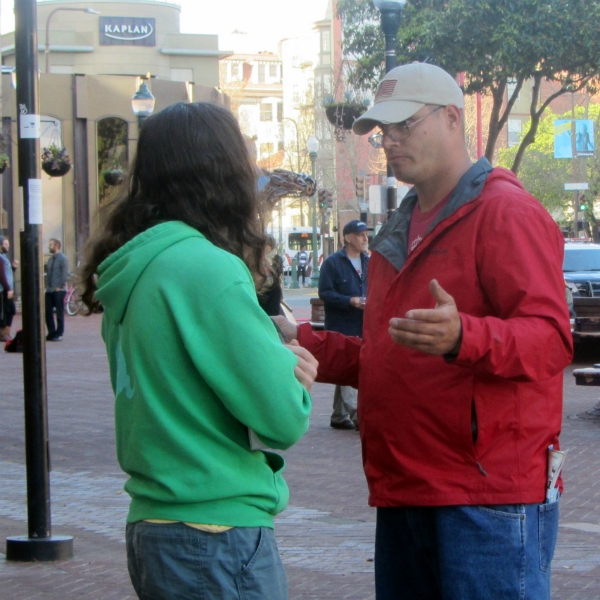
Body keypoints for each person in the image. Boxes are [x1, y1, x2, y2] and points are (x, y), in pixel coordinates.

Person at [277, 62, 573, 600]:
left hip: (485, 495)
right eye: (382, 131)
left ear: (453, 120)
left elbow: (552, 339)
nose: (389, 141)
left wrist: (466, 337)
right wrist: (298, 337)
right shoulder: (399, 229)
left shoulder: (506, 213)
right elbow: (386, 355)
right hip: (406, 487)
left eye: (403, 125)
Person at [79, 101, 317, 600]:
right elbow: (282, 419)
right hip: (217, 528)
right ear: (224, 170)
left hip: (154, 523)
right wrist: (290, 371)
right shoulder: (208, 268)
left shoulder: (135, 266)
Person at [318, 219, 371, 430]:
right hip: (341, 323)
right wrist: (349, 301)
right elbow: (325, 292)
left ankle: (339, 415)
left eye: (366, 234)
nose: (365, 238)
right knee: (350, 364)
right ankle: (357, 414)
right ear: (348, 238)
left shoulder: (369, 261)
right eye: (361, 234)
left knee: (348, 365)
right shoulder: (332, 263)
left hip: (362, 323)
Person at [45, 238, 69, 341]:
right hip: (50, 290)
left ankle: (59, 333)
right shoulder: (50, 260)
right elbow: (48, 274)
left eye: (51, 244)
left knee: (59, 312)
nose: (49, 246)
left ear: (57, 246)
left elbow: (64, 273)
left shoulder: (63, 258)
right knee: (47, 311)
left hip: (59, 290)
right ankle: (51, 332)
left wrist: (60, 286)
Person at [257, 235, 284, 316]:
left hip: (272, 290)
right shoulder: (256, 258)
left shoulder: (276, 259)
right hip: (259, 290)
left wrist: (268, 262)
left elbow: (277, 274)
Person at [0, 235, 18, 341]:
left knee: (10, 310)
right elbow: (1, 276)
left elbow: (6, 273)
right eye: (5, 244)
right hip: (3, 290)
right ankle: (3, 333)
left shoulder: (4, 257)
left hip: (6, 288)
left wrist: (13, 268)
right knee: (6, 310)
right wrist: (8, 289)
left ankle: (6, 332)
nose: (8, 246)